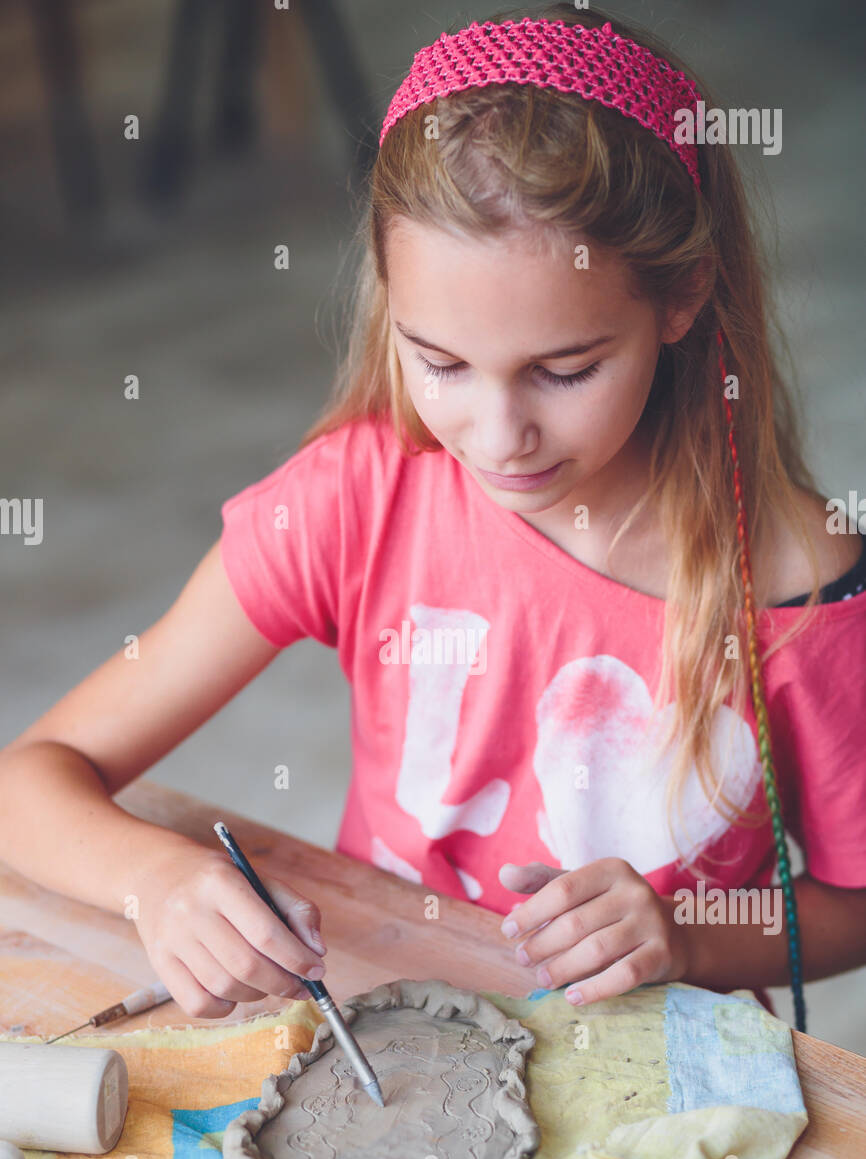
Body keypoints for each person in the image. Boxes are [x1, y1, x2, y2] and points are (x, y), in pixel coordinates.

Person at [1, 5, 864, 1030]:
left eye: (564, 370)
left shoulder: (798, 585)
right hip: (393, 1039)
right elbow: (29, 781)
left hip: (659, 1085)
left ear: (681, 300)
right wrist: (156, 878)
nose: (499, 436)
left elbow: (853, 904)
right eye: (440, 362)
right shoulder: (357, 497)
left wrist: (685, 939)